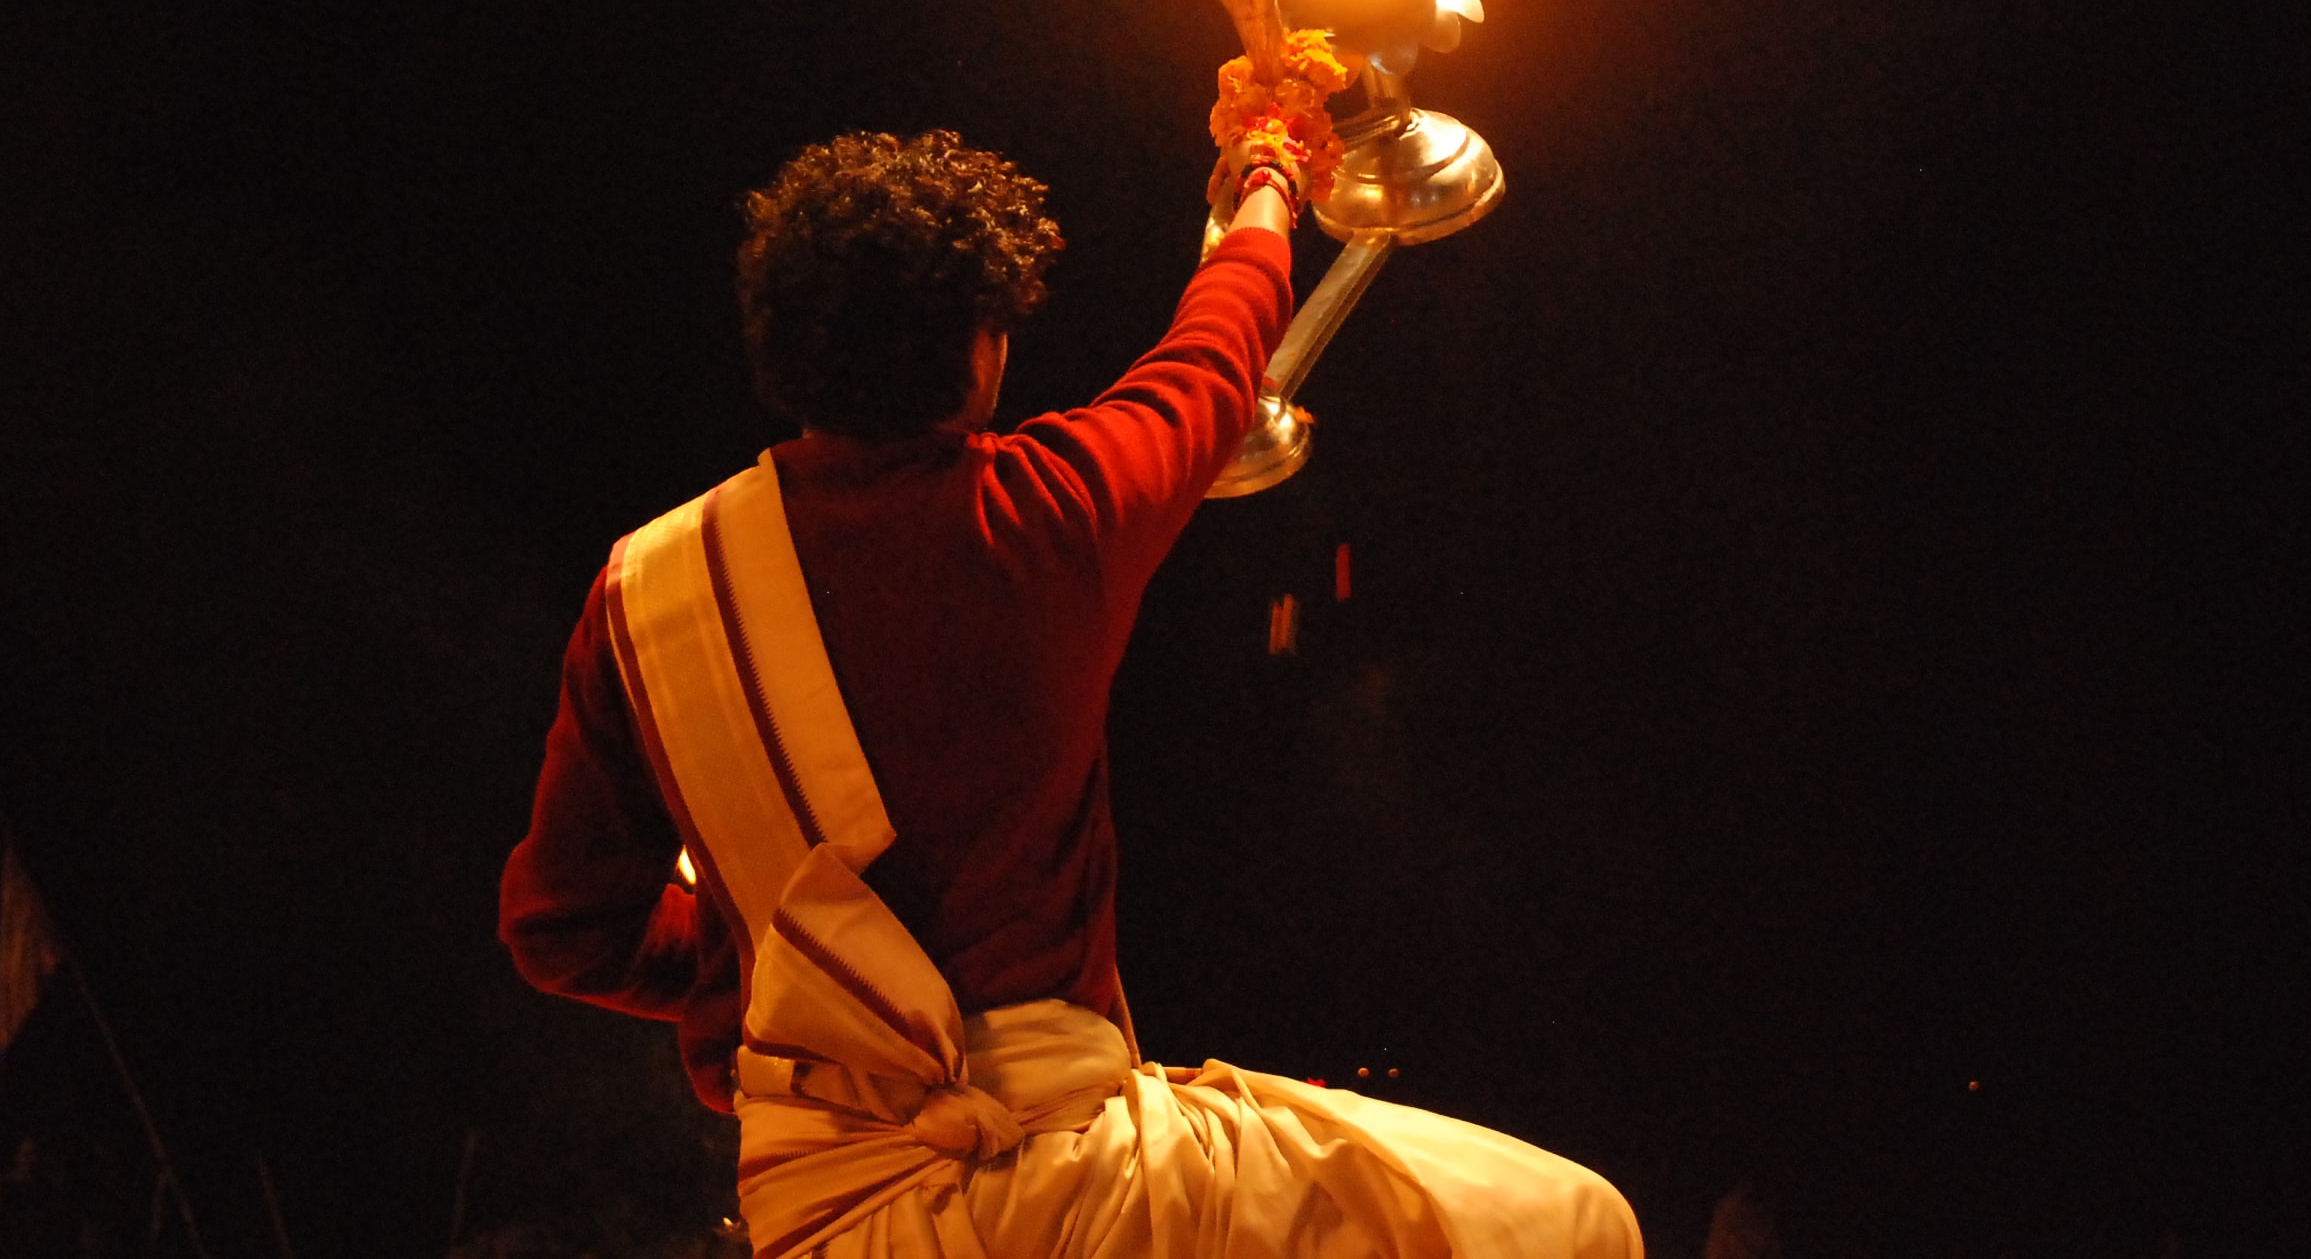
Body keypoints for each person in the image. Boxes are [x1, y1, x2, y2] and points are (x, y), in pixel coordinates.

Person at [501, 121, 1640, 1257]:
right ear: (979, 350)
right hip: (1072, 1187)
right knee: (1570, 1225)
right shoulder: (1046, 515)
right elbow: (1213, 356)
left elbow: (563, 932)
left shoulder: (641, 590)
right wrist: (1269, 177)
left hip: (812, 1219)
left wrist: (773, 975)